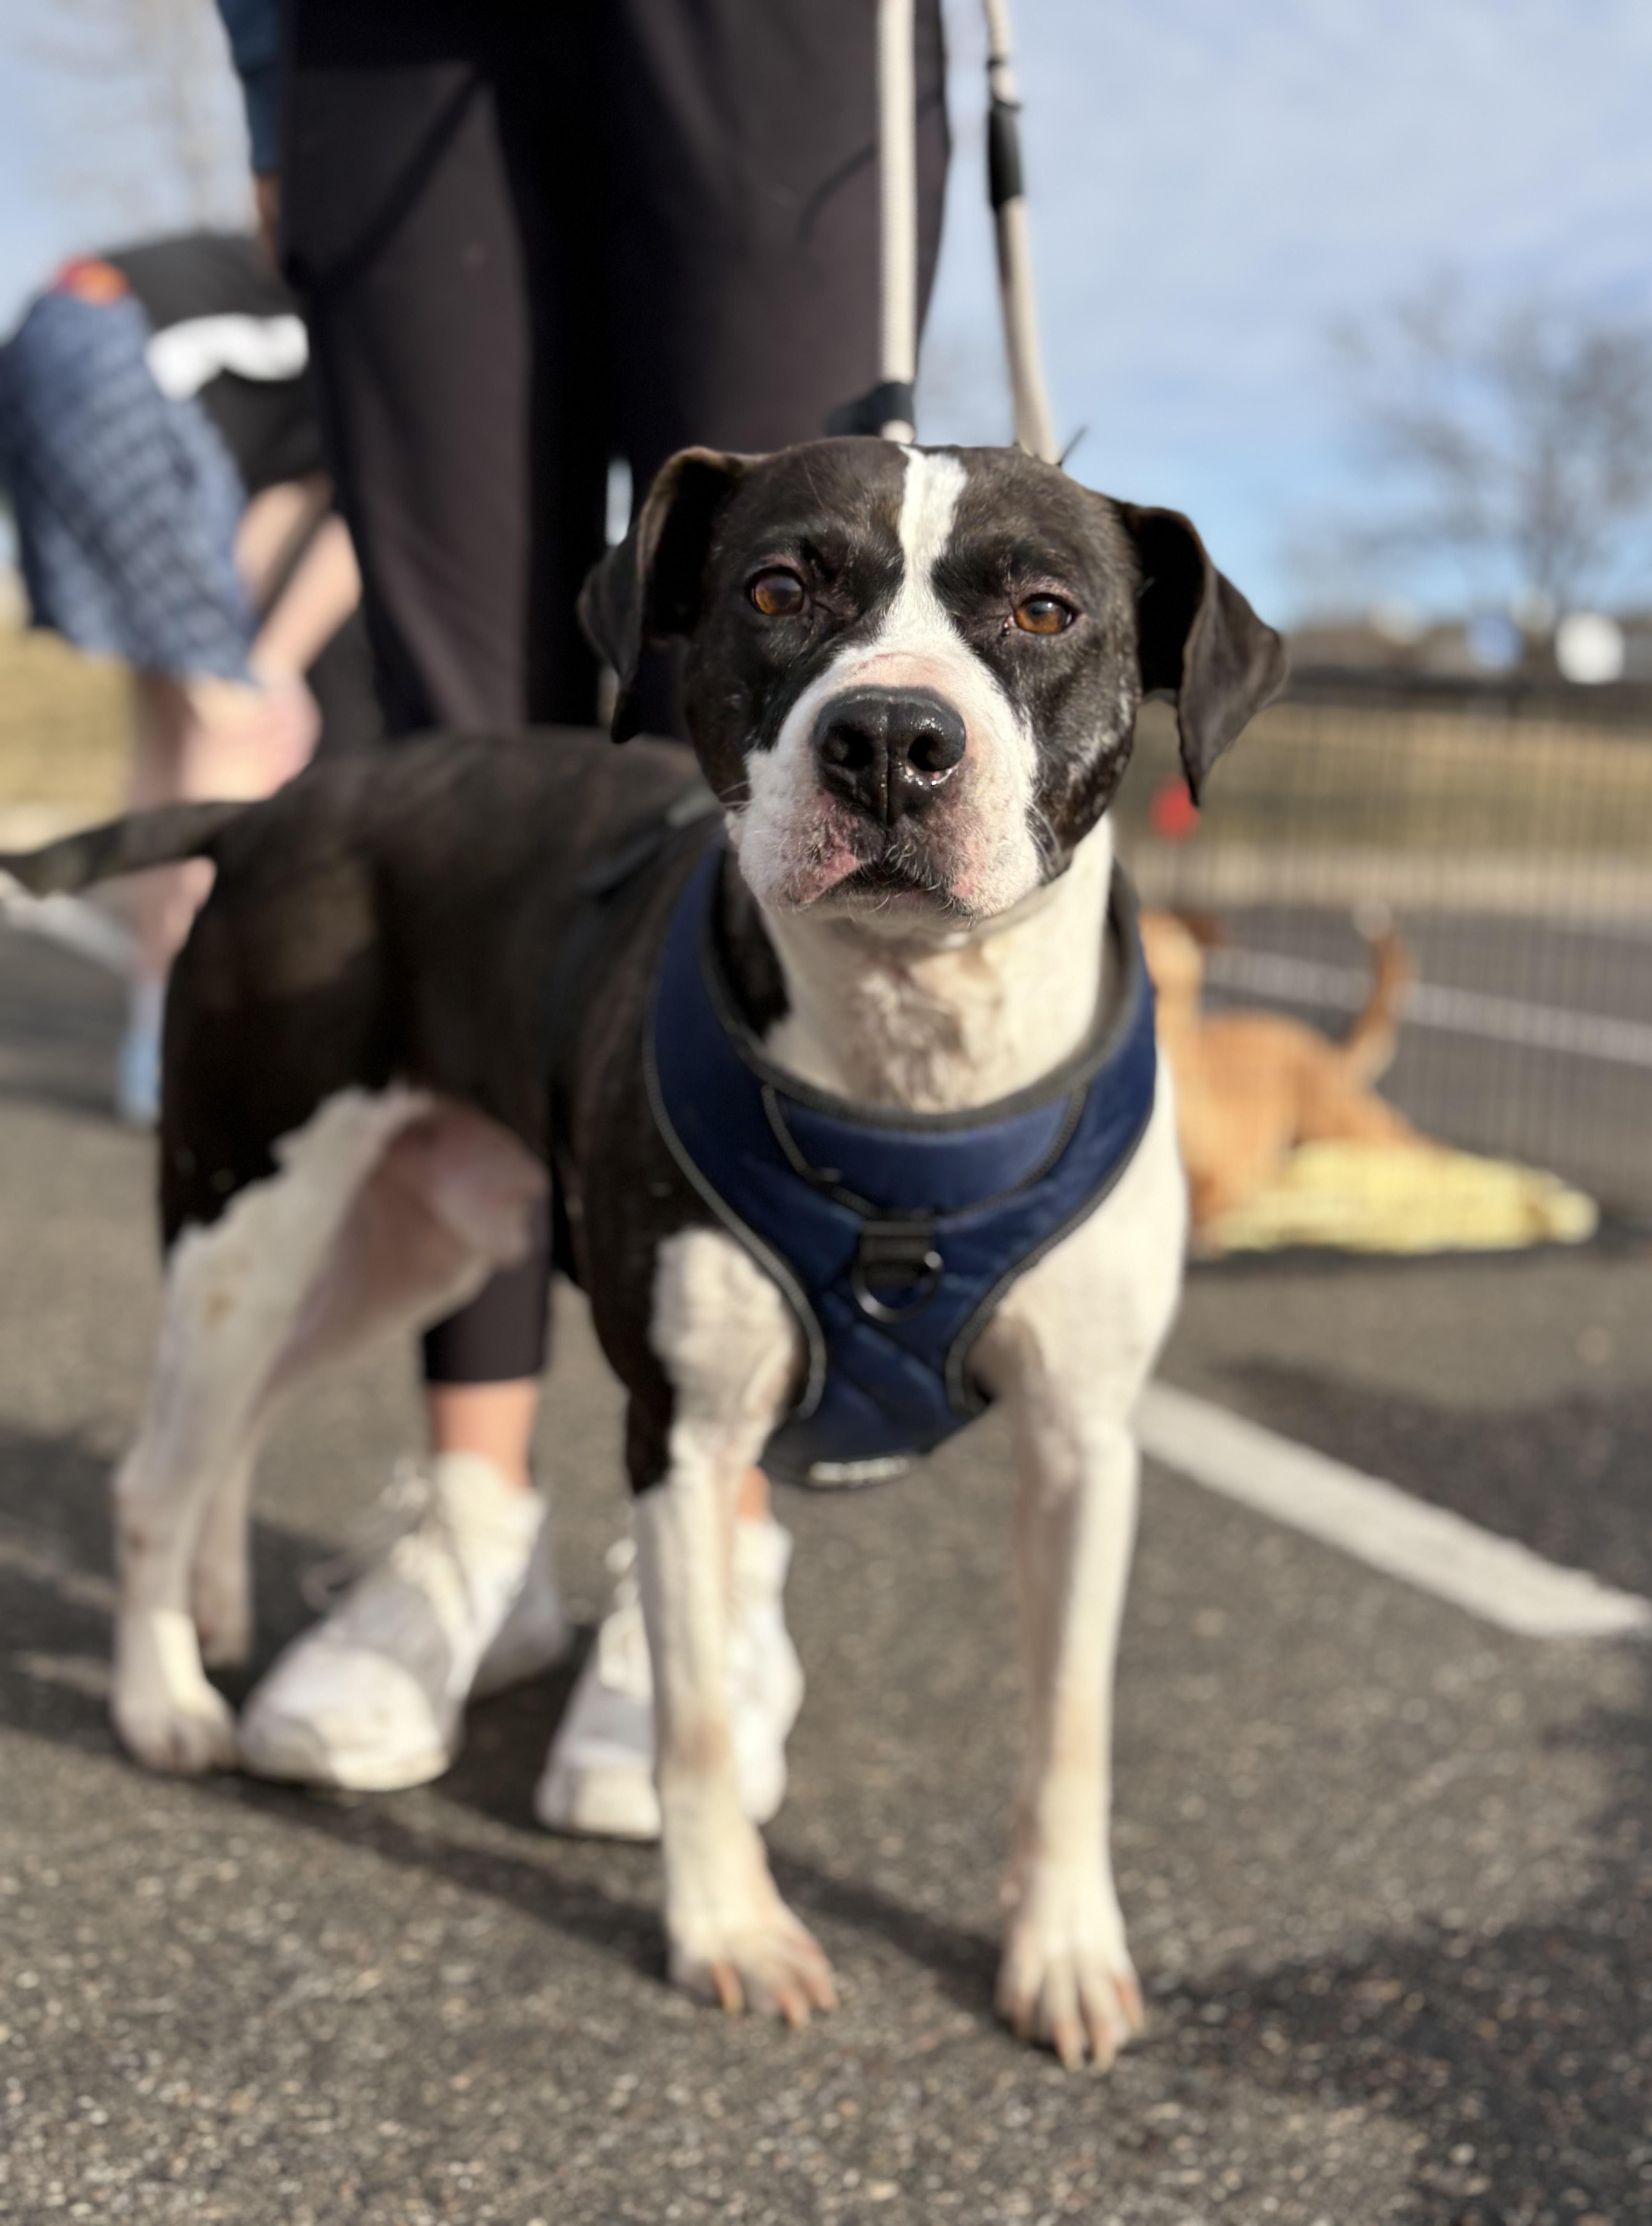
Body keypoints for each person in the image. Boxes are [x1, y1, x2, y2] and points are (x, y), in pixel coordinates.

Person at [214, 0, 950, 1833]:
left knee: (789, 691)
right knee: (462, 771)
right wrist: (268, 75)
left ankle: (712, 1549)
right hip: (390, 38)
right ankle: (475, 1525)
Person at [0, 230, 372, 1123]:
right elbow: (358, 516)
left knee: (175, 723)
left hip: (53, 349)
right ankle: (193, 1037)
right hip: (108, 357)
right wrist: (265, 675)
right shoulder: (381, 344)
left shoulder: (279, 371)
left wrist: (247, 664)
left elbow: (258, 540)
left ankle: (155, 1027)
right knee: (236, 730)